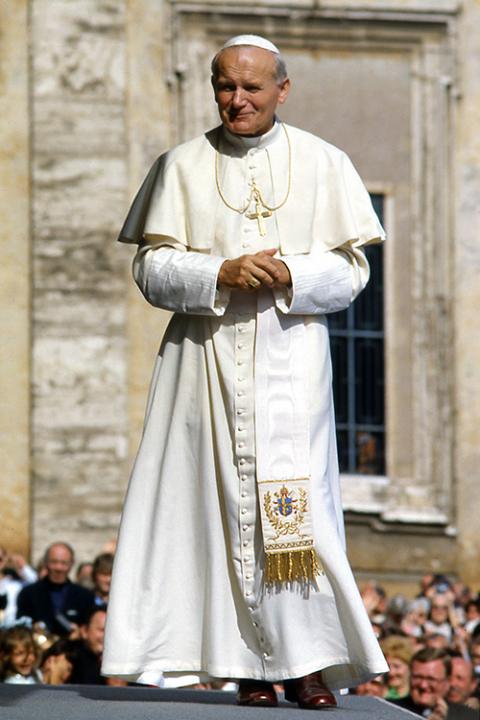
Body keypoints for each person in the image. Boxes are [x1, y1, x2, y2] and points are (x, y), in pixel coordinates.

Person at [102, 34, 389, 709]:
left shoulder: (324, 162)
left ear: (281, 90)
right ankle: (250, 669)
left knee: (298, 518)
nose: (238, 100)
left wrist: (291, 271)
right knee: (218, 513)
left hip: (291, 359)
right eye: (225, 86)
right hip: (203, 365)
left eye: (252, 88)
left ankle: (310, 664)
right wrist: (218, 272)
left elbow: (352, 272)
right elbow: (150, 267)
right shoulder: (181, 165)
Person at [16, 542, 95, 636]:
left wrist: (80, 633)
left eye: (64, 563)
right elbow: (21, 627)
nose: (59, 567)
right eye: (54, 562)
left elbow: (90, 628)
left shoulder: (85, 596)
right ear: (45, 562)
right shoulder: (28, 593)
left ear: (72, 563)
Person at [389, 648, 478, 719]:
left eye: (431, 679)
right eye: (418, 677)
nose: (423, 685)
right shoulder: (389, 708)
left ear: (447, 681)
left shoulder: (470, 717)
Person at [68, 607, 107, 685]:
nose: (107, 636)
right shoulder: (70, 660)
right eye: (102, 630)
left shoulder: (121, 665)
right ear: (84, 631)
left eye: (110, 631)